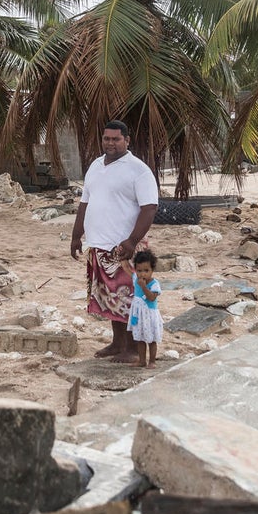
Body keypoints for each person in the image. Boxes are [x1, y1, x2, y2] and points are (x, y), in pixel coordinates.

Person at [70, 120, 159, 363]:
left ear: (127, 140)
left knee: (130, 298)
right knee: (109, 298)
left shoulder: (138, 170)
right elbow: (85, 203)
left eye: (116, 139)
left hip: (125, 248)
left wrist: (132, 240)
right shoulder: (96, 166)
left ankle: (132, 349)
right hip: (98, 246)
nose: (110, 143)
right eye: (106, 138)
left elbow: (149, 208)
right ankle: (117, 343)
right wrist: (76, 235)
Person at [126, 250, 162, 367]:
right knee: (140, 338)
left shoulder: (154, 284)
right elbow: (125, 267)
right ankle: (142, 361)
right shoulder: (135, 278)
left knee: (151, 339)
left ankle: (152, 361)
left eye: (146, 271)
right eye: (139, 271)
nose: (142, 274)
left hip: (149, 315)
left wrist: (144, 287)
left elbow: (151, 298)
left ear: (152, 270)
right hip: (138, 314)